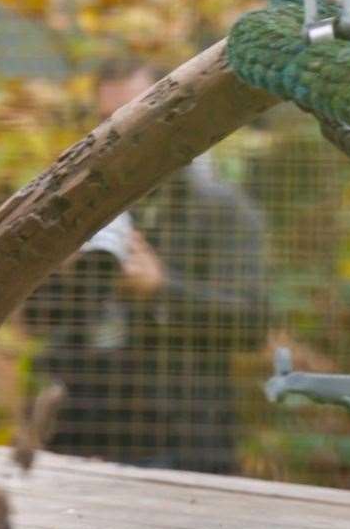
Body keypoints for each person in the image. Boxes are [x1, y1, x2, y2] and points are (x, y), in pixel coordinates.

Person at [23, 59, 268, 474]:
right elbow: (36, 319)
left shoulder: (220, 209)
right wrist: (57, 268)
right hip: (82, 436)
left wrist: (160, 288)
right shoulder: (79, 199)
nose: (119, 131)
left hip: (181, 440)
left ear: (170, 117)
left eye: (136, 114)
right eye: (107, 119)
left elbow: (252, 324)